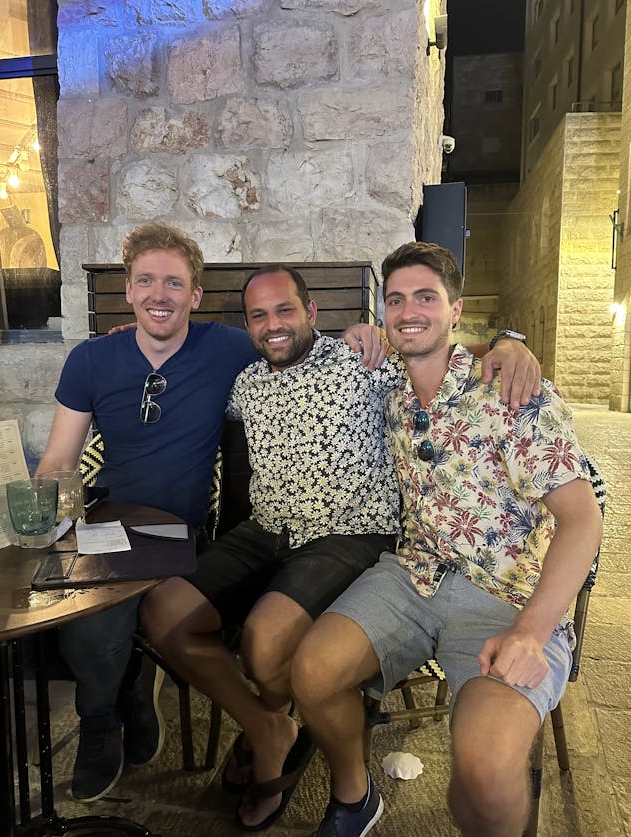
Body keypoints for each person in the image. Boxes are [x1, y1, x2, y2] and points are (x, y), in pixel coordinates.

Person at [140, 263, 540, 831]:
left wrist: (509, 343)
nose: (273, 325)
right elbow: (178, 350)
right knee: (163, 612)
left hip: (349, 530)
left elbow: (440, 348)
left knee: (263, 643)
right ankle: (268, 727)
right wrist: (128, 339)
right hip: (267, 528)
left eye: (285, 310)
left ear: (312, 314)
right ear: (247, 326)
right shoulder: (245, 384)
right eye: (259, 316)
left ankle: (280, 738)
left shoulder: (366, 361)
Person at [290, 241, 603, 837]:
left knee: (483, 771)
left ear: (456, 310)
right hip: (412, 575)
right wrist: (360, 330)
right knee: (310, 672)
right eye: (396, 299)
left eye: (426, 298)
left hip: (505, 594)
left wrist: (531, 632)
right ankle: (355, 797)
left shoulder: (511, 392)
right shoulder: (391, 393)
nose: (410, 311)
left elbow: (583, 519)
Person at [35, 222, 260, 802]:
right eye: (146, 281)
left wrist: (367, 332)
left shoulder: (227, 348)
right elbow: (59, 460)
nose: (159, 294)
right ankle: (106, 715)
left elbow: (301, 344)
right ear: (129, 291)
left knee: (110, 621)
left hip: (185, 531)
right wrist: (48, 522)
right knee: (82, 622)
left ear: (195, 295)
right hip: (111, 522)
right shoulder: (90, 361)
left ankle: (119, 697)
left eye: (174, 283)